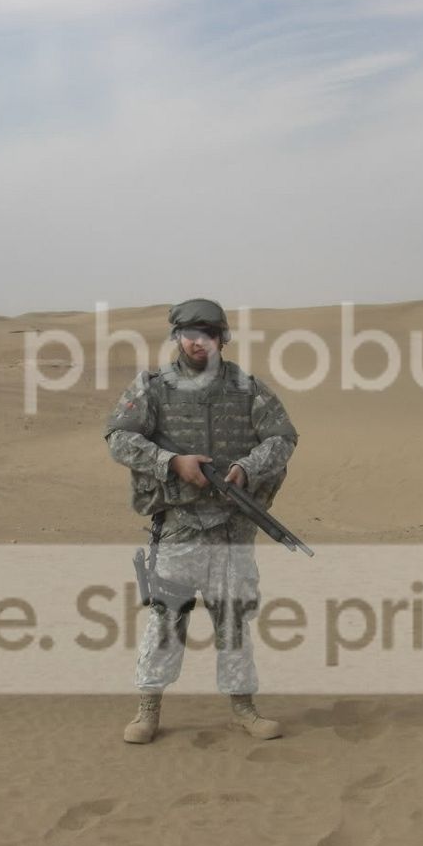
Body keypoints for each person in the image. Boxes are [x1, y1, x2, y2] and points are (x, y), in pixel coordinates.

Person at [105, 298, 299, 744]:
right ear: (177, 337)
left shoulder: (249, 389)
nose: (198, 343)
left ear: (221, 339)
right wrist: (171, 461)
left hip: (232, 526)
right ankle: (148, 709)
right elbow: (118, 437)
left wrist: (249, 466)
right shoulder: (153, 388)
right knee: (166, 617)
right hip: (181, 524)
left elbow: (283, 438)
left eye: (208, 334)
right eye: (189, 334)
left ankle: (244, 708)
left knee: (234, 619)